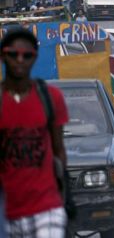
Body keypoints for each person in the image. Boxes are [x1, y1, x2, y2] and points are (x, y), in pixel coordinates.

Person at [0, 28, 69, 237]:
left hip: (47, 207)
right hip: (6, 210)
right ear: (3, 56)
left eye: (27, 55)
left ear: (34, 58)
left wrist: (62, 191)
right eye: (13, 54)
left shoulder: (51, 98)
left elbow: (59, 150)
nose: (20, 60)